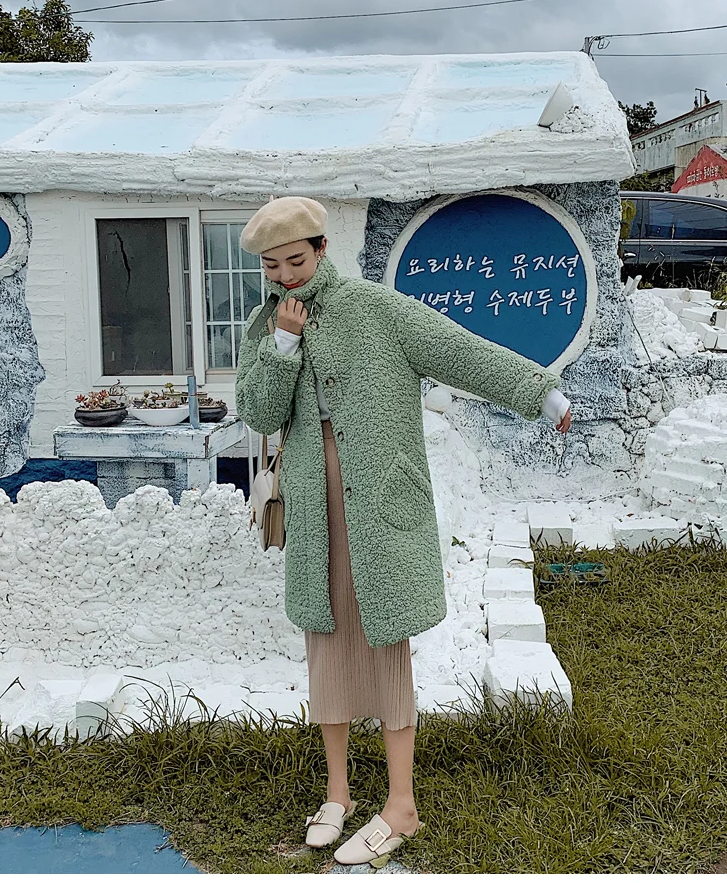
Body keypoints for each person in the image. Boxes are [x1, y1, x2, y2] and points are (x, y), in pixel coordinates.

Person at [235, 196, 572, 867]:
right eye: (273, 266)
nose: (286, 276)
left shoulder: (373, 307)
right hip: (313, 500)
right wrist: (283, 341)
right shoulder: (267, 322)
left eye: (296, 261)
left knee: (384, 639)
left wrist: (542, 392)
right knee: (324, 639)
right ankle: (337, 791)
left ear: (323, 249)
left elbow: (456, 350)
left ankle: (401, 803)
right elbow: (259, 409)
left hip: (379, 500)